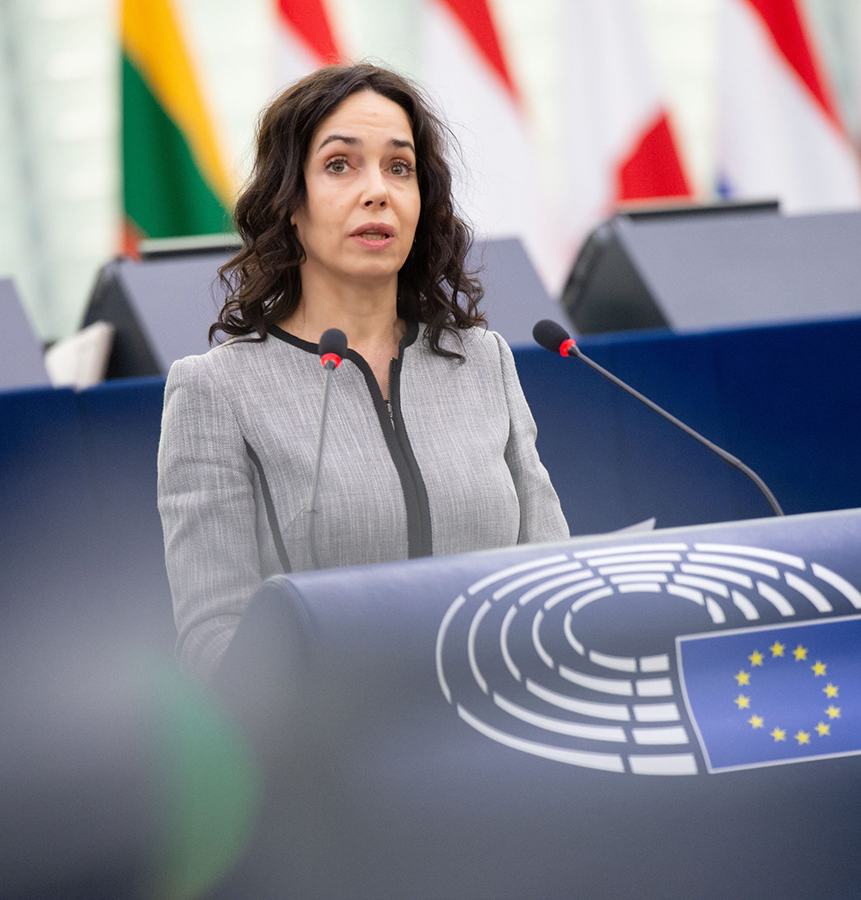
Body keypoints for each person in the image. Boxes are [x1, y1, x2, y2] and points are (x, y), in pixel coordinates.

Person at [157, 64, 568, 681]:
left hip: (499, 715)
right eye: (340, 165)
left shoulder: (484, 361)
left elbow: (555, 574)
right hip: (333, 731)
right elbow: (212, 642)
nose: (377, 191)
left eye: (399, 168)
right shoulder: (216, 390)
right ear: (290, 203)